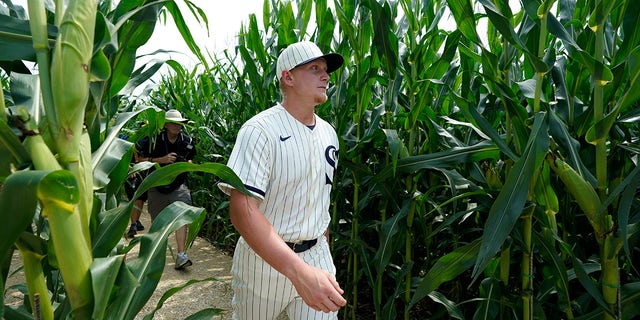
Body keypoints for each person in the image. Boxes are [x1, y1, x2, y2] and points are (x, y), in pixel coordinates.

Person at [218, 41, 347, 319]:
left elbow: (318, 199)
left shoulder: (329, 134)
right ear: (288, 77)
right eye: (314, 68)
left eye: (326, 70)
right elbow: (243, 211)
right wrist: (298, 272)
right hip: (263, 263)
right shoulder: (259, 130)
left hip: (316, 256)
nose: (325, 76)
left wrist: (321, 251)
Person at [137, 109, 196, 270]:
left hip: (179, 186)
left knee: (181, 218)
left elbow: (191, 158)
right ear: (166, 124)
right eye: (174, 123)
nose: (178, 126)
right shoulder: (153, 140)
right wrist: (160, 160)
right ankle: (156, 255)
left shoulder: (187, 140)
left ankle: (181, 255)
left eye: (180, 124)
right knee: (158, 223)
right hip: (157, 186)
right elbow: (140, 160)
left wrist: (188, 164)